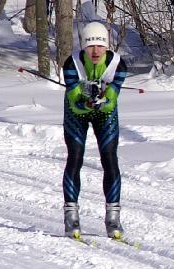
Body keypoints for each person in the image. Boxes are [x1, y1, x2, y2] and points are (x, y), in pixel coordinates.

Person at [61, 21, 128, 240]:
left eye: (100, 45)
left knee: (109, 159)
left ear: (107, 46)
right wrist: (86, 104)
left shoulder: (118, 64)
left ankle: (113, 218)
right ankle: (71, 216)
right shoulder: (71, 63)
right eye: (90, 46)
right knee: (75, 158)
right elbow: (72, 98)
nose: (96, 51)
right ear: (83, 47)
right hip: (77, 113)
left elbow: (112, 98)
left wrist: (102, 100)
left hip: (105, 113)